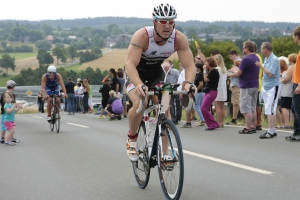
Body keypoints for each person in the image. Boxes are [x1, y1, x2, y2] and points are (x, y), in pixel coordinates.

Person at [124, 3, 195, 162]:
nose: (167, 26)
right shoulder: (142, 36)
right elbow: (129, 65)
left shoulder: (179, 38)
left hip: (156, 74)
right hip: (136, 74)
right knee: (140, 103)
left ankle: (165, 153)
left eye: (170, 21)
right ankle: (132, 139)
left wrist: (189, 83)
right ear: (154, 21)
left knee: (165, 109)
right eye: (163, 21)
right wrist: (138, 84)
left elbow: (190, 65)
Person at [231, 41, 260, 134]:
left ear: (247, 48)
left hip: (246, 85)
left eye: (243, 48)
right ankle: (253, 125)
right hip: (255, 84)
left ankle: (248, 127)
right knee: (252, 107)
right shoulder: (256, 57)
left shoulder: (246, 59)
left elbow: (239, 73)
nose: (243, 49)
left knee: (245, 107)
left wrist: (233, 72)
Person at [256, 42, 280, 139]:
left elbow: (270, 74)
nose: (261, 51)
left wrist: (261, 66)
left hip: (272, 86)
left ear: (266, 49)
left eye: (262, 49)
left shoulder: (274, 59)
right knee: (269, 108)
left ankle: (270, 130)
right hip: (266, 86)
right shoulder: (267, 58)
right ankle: (272, 129)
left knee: (270, 109)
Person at [286, 27, 300, 141]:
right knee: (294, 109)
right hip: (295, 83)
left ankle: (298, 133)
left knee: (298, 110)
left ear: (297, 36)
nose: (293, 38)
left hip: (298, 84)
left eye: (293, 36)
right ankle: (296, 132)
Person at [201, 57, 220, 130]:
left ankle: (212, 124)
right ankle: (214, 123)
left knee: (204, 108)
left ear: (209, 63)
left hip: (211, 92)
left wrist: (204, 71)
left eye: (206, 62)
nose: (205, 64)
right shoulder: (212, 71)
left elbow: (206, 79)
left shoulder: (214, 71)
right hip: (210, 91)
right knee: (205, 108)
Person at [226, 50, 242, 125]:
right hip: (234, 84)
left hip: (237, 84)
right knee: (235, 103)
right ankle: (234, 119)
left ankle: (246, 117)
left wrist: (229, 74)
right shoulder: (237, 62)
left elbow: (238, 73)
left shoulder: (238, 61)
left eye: (230, 56)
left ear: (234, 55)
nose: (230, 58)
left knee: (238, 102)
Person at [214, 54, 227, 128]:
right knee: (222, 106)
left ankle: (219, 122)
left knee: (218, 106)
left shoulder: (217, 69)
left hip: (218, 88)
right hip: (223, 88)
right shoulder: (224, 69)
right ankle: (222, 122)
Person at [279, 58, 293, 128]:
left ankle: (286, 123)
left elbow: (286, 80)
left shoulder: (288, 70)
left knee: (284, 107)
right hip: (290, 91)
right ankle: (293, 124)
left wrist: (280, 80)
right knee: (292, 108)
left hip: (286, 91)